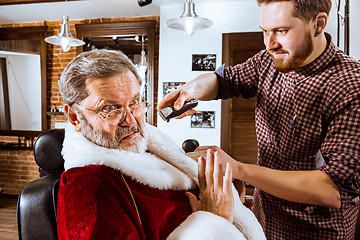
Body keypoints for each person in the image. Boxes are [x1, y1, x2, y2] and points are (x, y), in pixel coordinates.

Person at [158, 0, 360, 239]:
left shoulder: (350, 86)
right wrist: (190, 90)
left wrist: (237, 169)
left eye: (281, 31)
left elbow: (333, 189)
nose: (270, 43)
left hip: (315, 232)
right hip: (262, 221)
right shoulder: (269, 61)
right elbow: (224, 81)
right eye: (265, 30)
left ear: (318, 24)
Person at [56, 49, 265, 240]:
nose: (131, 120)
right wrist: (213, 220)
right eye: (110, 108)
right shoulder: (89, 187)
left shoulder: (152, 146)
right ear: (75, 116)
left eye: (135, 102)